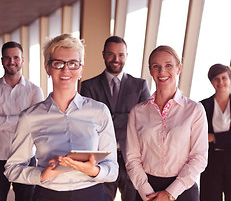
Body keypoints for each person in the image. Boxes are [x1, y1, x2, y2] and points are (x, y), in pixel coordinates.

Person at [4, 33, 118, 201]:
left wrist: (93, 170)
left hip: (91, 194)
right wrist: (42, 175)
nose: (66, 70)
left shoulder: (99, 111)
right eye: (58, 63)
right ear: (47, 68)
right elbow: (12, 169)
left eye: (73, 63)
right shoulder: (30, 117)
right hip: (47, 195)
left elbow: (113, 169)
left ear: (81, 69)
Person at [126, 45, 208, 201]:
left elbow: (199, 158)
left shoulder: (195, 110)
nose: (162, 71)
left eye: (168, 65)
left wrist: (171, 193)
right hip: (147, 191)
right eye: (156, 66)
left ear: (178, 69)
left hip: (184, 190)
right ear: (150, 71)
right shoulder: (137, 112)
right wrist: (147, 193)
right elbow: (132, 159)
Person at [80, 35, 150, 201]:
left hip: (132, 158)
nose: (116, 59)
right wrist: (129, 118)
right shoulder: (89, 86)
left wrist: (107, 119)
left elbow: (146, 120)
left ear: (126, 56)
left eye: (120, 55)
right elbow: (89, 123)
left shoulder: (140, 85)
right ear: (103, 54)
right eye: (111, 54)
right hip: (101, 159)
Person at [0, 41, 44, 201]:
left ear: (23, 60)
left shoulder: (34, 90)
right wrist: (22, 121)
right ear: (2, 60)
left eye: (16, 57)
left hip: (25, 157)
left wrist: (3, 121)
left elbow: (36, 123)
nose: (12, 62)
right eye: (7, 58)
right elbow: (28, 123)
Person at [200, 64, 231, 201]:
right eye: (216, 79)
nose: (220, 82)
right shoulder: (203, 105)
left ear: (230, 79)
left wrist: (214, 137)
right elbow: (200, 136)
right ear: (211, 82)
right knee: (209, 197)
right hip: (211, 160)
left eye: (224, 78)